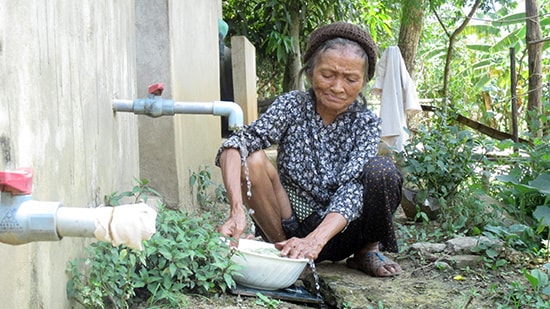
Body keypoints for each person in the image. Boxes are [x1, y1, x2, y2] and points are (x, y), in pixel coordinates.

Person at [215, 22, 403, 277]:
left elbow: (353, 189)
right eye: (328, 75)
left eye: (350, 79)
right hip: (290, 223)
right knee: (252, 159)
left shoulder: (366, 123)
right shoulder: (292, 105)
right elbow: (236, 144)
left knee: (382, 171)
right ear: (311, 72)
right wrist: (236, 209)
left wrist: (315, 240)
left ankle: (366, 251)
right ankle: (286, 255)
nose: (338, 87)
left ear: (362, 83)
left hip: (342, 232)